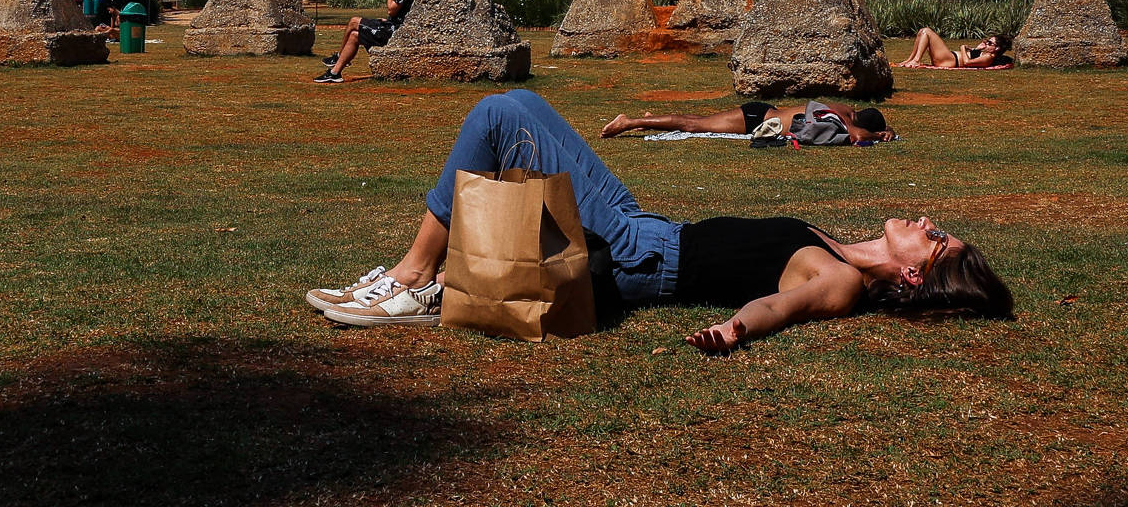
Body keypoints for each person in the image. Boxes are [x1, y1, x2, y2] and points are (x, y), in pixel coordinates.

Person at [305, 90, 1011, 348]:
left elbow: (780, 303)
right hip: (646, 231)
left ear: (917, 272)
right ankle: (424, 279)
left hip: (643, 253)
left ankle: (414, 276)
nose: (925, 219)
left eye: (935, 234)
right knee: (512, 117)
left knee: (503, 114)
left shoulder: (840, 280)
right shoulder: (839, 249)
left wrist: (735, 328)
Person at [600, 101, 895, 144]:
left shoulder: (840, 108)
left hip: (761, 113)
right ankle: (629, 121)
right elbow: (858, 137)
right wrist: (882, 134)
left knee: (700, 122)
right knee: (696, 126)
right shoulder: (846, 117)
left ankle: (651, 122)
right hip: (755, 117)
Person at [313, 0, 418, 84]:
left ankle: (338, 56)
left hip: (394, 31)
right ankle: (334, 73)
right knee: (354, 36)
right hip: (398, 27)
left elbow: (391, 9)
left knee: (353, 21)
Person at [896, 29, 1011, 69]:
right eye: (987, 41)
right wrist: (977, 48)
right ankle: (910, 60)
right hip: (948, 58)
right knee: (922, 32)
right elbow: (972, 57)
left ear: (996, 48)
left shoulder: (988, 57)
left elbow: (967, 62)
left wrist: (962, 48)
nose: (986, 43)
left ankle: (916, 60)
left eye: (989, 43)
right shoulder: (985, 53)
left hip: (950, 60)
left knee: (927, 32)